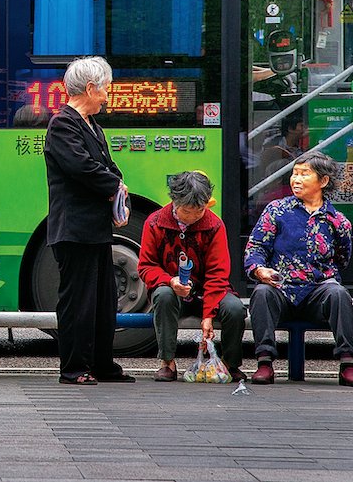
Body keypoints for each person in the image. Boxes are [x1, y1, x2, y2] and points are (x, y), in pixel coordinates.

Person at [44, 56, 134, 385]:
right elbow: (81, 167)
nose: (108, 95)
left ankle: (101, 363)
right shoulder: (63, 123)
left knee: (102, 302)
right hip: (74, 228)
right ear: (91, 88)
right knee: (77, 303)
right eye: (106, 88)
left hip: (95, 228)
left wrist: (118, 188)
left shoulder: (92, 125)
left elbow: (110, 167)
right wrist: (114, 187)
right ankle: (74, 367)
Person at [244, 150, 353, 386]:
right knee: (261, 293)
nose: (296, 179)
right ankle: (264, 362)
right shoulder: (276, 211)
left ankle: (347, 363)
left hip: (317, 293)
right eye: (295, 174)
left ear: (323, 181)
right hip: (281, 289)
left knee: (338, 294)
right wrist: (260, 270)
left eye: (304, 174)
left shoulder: (338, 221)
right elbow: (255, 248)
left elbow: (342, 259)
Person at [137, 172, 247, 382]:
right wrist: (170, 281)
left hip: (207, 291)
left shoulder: (214, 225)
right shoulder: (155, 223)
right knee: (163, 295)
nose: (194, 216)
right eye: (187, 211)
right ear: (174, 202)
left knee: (235, 309)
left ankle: (229, 363)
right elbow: (146, 266)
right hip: (172, 289)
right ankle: (167, 361)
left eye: (200, 211)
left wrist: (208, 316)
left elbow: (218, 273)